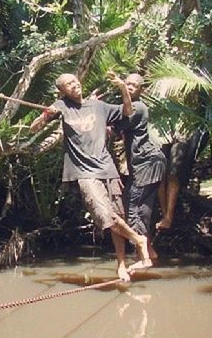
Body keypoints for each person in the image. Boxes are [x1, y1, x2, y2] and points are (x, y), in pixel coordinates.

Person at [30, 73, 151, 280]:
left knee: (118, 217)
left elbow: (128, 111)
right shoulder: (61, 106)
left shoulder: (98, 106)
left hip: (107, 168)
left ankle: (121, 265)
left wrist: (123, 87)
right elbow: (34, 128)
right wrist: (45, 115)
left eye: (75, 81)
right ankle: (138, 239)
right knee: (104, 216)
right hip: (84, 172)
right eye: (68, 84)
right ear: (62, 91)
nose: (74, 85)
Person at [107, 71, 166, 266]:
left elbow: (127, 111)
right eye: (127, 84)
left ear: (141, 90)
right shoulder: (123, 112)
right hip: (146, 164)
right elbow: (110, 128)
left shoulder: (139, 108)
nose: (130, 87)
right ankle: (150, 251)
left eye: (134, 85)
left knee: (133, 207)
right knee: (143, 207)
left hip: (147, 162)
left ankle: (144, 257)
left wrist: (121, 87)